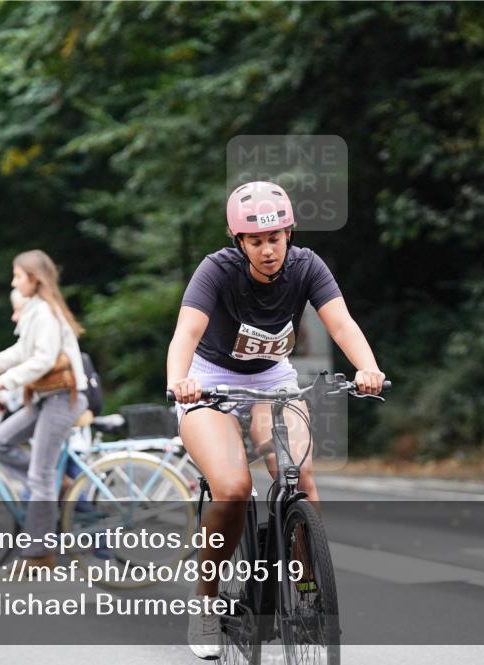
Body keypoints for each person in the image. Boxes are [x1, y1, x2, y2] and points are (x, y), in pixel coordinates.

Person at [166, 182, 386, 659]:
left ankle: (306, 585)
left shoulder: (307, 266)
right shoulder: (216, 271)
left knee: (300, 476)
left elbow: (341, 322)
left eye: (275, 238)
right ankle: (205, 603)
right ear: (238, 241)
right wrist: (178, 380)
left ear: (289, 233)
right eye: (255, 241)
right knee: (231, 487)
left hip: (273, 379)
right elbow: (188, 329)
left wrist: (366, 367)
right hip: (209, 380)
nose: (268, 250)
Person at [0, 250, 88, 568]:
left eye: (18, 276)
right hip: (46, 397)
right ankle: (57, 486)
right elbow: (19, 351)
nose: (14, 281)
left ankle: (40, 554)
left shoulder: (46, 312)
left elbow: (43, 360)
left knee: (39, 474)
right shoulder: (33, 311)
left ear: (35, 279)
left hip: (63, 397)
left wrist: (4, 382)